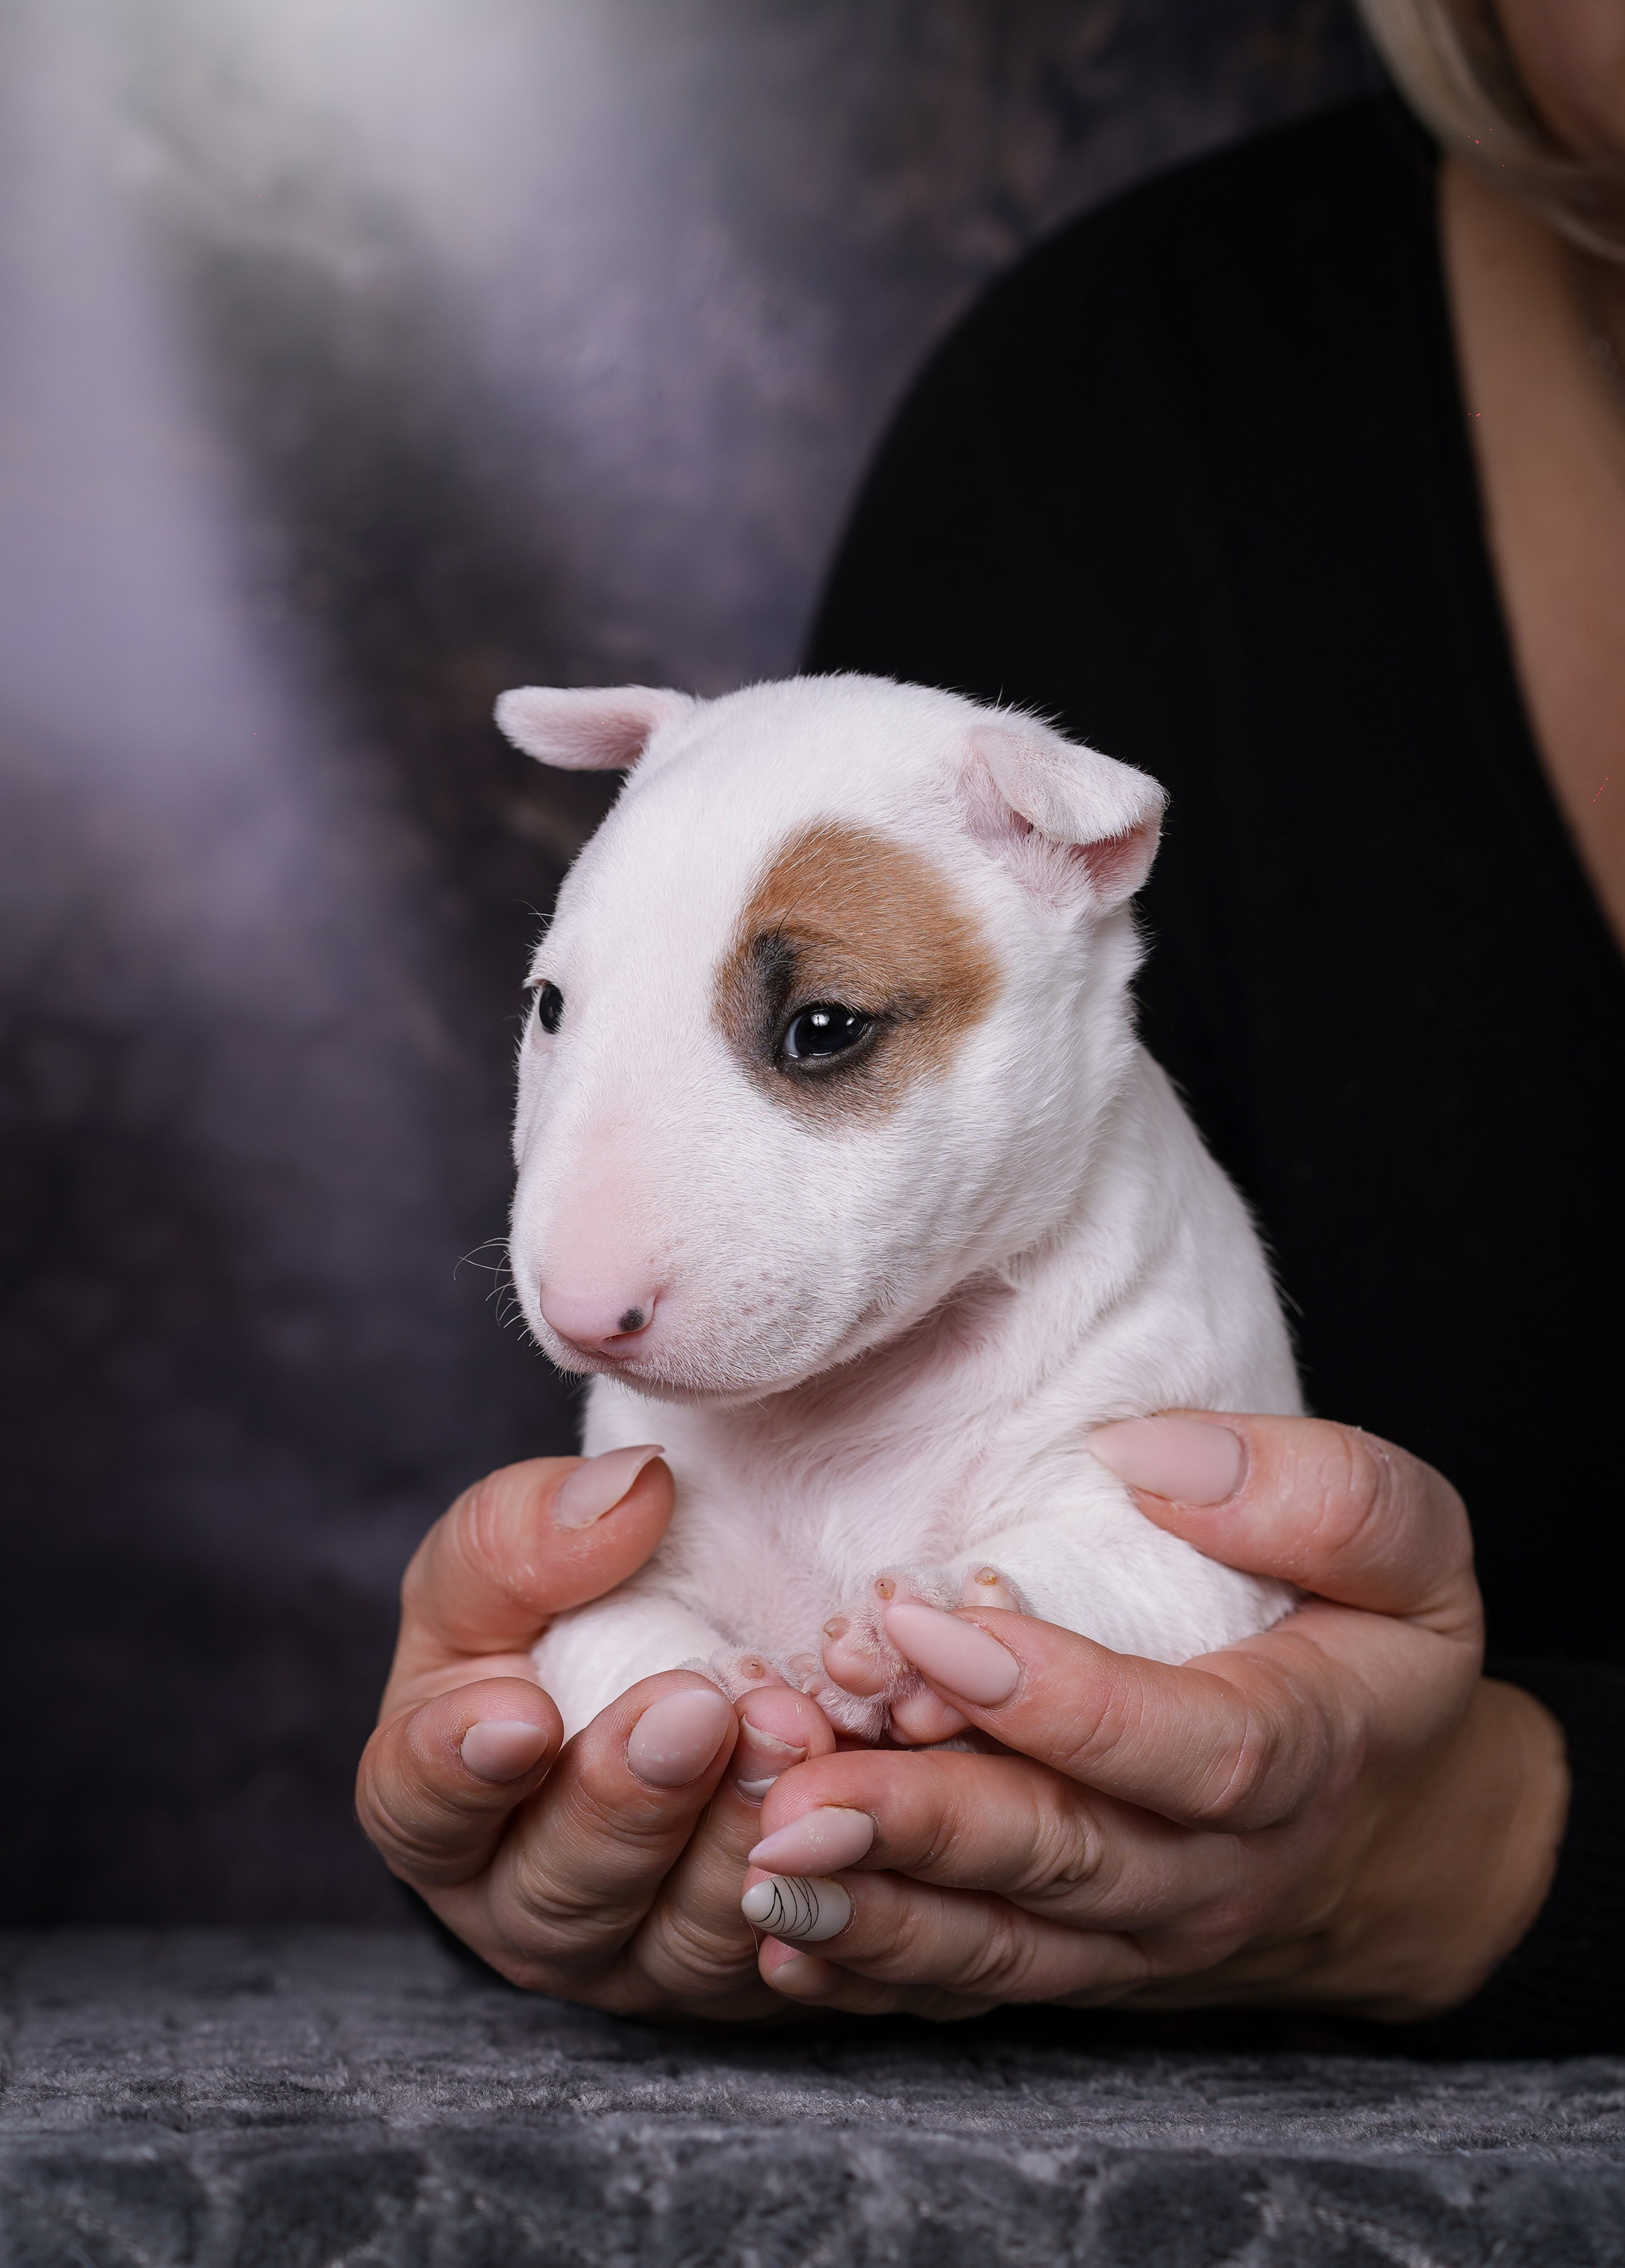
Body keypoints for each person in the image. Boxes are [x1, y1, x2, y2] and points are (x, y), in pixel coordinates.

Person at [357, 0, 1624, 2052]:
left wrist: (1467, 1854)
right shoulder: (1106, 424)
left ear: (1081, 862)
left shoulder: (1032, 871)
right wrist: (582, 1775)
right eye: (555, 1011)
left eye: (823, 1036)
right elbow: (543, 1739)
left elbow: (1183, 1601)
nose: (582, 1286)